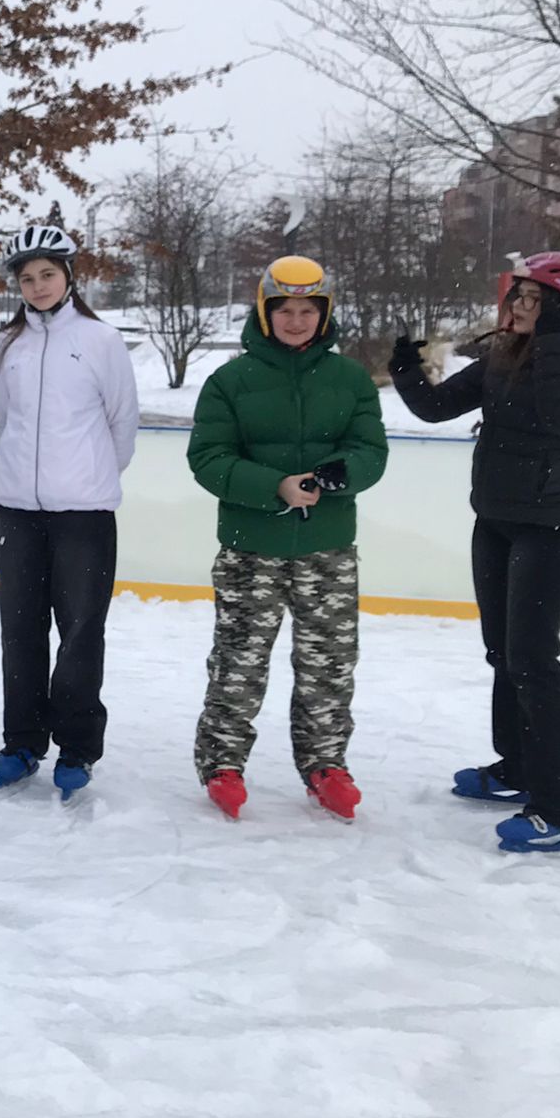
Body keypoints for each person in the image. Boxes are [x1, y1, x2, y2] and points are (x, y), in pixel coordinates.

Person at [390, 252, 560, 854]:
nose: (515, 309)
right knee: (502, 652)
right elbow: (438, 407)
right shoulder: (505, 350)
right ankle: (516, 770)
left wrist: (549, 339)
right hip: (494, 520)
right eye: (514, 297)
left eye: (532, 300)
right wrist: (407, 371)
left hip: (547, 525)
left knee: (535, 661)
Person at [186, 256, 388, 822]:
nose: (296, 321)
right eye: (285, 310)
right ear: (264, 312)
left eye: (308, 310)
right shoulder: (231, 381)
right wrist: (274, 485)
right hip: (252, 548)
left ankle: (326, 763)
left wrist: (340, 474)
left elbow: (371, 450)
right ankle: (223, 762)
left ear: (323, 315)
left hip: (327, 549)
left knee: (329, 663)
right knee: (239, 662)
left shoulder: (348, 378)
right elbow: (208, 458)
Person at [0, 225, 139, 799]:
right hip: (18, 510)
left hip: (85, 513)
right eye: (27, 278)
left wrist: (88, 476)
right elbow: (5, 416)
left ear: (69, 277)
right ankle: (22, 740)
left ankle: (76, 745)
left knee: (79, 631)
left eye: (48, 274)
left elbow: (122, 422)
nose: (38, 285)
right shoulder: (6, 343)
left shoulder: (101, 341)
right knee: (19, 629)